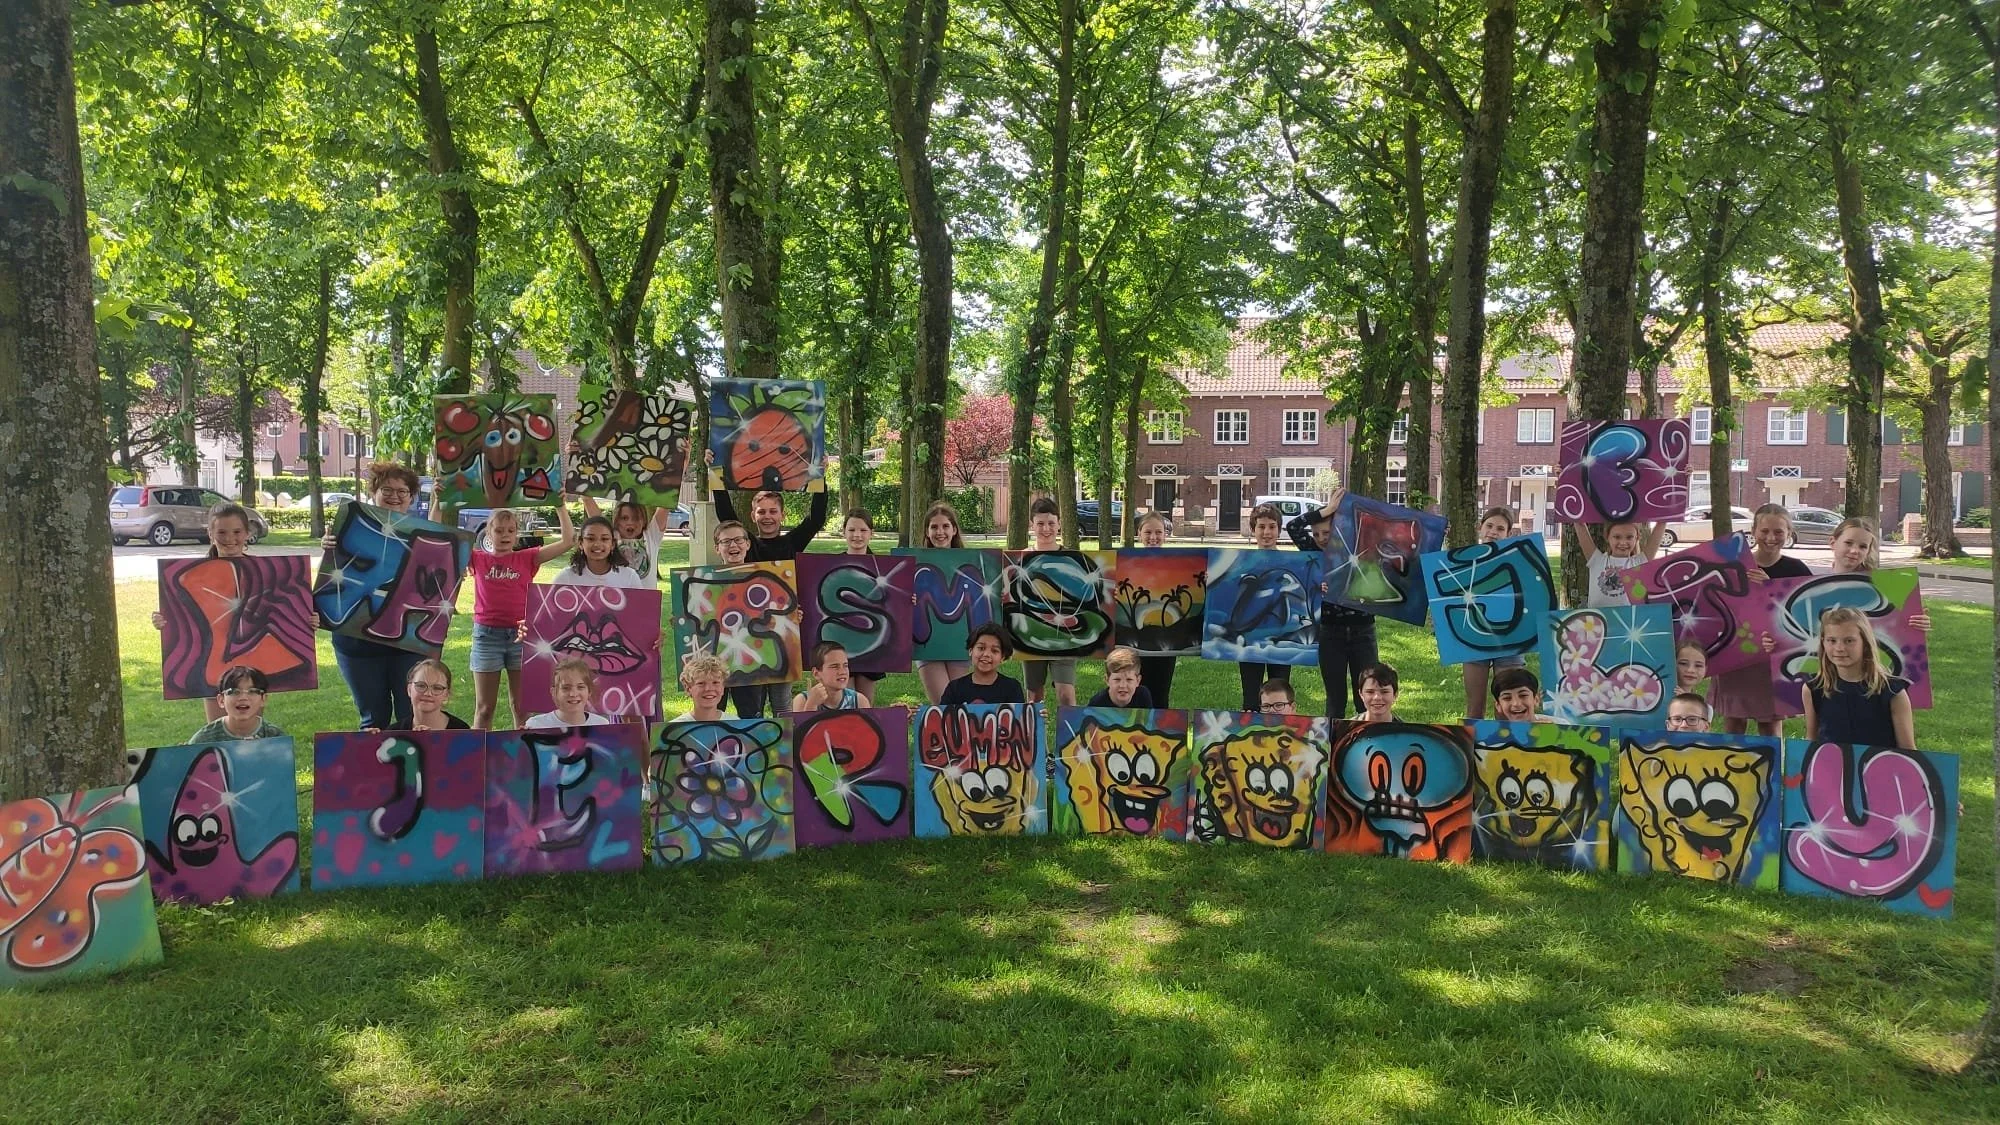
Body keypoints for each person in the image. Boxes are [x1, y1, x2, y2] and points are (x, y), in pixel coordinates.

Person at [324, 462, 439, 730]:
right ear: (373, 492)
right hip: (357, 642)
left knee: (410, 717)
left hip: (407, 642)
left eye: (402, 491)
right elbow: (333, 580)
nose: (394, 496)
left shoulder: (423, 535)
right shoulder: (349, 528)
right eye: (387, 489)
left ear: (411, 497)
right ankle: (372, 760)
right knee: (373, 720)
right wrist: (329, 548)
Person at [153, 501, 267, 723]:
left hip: (254, 661)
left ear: (247, 533)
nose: (230, 538)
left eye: (237, 532)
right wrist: (163, 620)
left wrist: (307, 621)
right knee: (218, 730)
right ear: (210, 534)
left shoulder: (266, 572)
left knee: (252, 731)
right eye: (222, 532)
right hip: (210, 663)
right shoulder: (193, 574)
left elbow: (280, 613)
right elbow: (181, 616)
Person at [469, 505, 576, 729]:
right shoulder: (477, 559)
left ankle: (523, 750)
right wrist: (439, 503)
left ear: (517, 533)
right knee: (484, 709)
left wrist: (560, 507)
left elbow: (568, 541)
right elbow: (442, 539)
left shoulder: (527, 558)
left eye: (511, 530)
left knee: (522, 708)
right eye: (499, 530)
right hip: (487, 637)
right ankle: (478, 751)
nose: (505, 535)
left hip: (521, 637)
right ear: (488, 533)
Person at [1713, 504, 1813, 736]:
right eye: (1764, 531)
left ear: (1789, 533)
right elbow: (1719, 605)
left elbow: (1805, 616)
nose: (1770, 537)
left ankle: (1772, 761)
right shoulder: (1734, 566)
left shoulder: (1796, 569)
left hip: (1773, 654)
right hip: (1737, 651)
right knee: (1734, 722)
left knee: (1769, 724)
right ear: (1753, 531)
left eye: (1778, 532)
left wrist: (1770, 588)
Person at [1285, 491, 1376, 719]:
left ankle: (1366, 734)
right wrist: (1325, 511)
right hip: (1330, 632)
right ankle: (1334, 738)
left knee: (1366, 695)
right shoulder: (1313, 552)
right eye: (1316, 534)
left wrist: (1434, 534)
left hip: (1363, 631)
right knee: (1335, 698)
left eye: (1326, 532)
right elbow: (1293, 527)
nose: (1321, 538)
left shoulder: (1356, 549)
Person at [1802, 607, 1917, 750]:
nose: (1839, 648)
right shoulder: (1813, 689)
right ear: (1823, 643)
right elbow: (1811, 742)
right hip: (1830, 764)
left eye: (1849, 641)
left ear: (1865, 644)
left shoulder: (1893, 692)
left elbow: (1908, 750)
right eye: (1832, 640)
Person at [1460, 506, 1528, 718]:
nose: (1493, 532)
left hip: (1510, 639)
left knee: (1507, 707)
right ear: (1480, 528)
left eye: (1500, 528)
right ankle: (1472, 742)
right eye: (1489, 525)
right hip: (1474, 639)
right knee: (1475, 707)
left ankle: (1505, 741)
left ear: (1509, 533)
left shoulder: (1519, 561)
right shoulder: (1463, 561)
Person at [1021, 497, 1078, 710]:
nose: (1046, 529)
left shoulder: (1072, 559)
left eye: (1051, 523)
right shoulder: (1021, 559)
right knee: (1034, 697)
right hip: (1032, 635)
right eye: (1040, 523)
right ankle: (1036, 733)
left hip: (1065, 636)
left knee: (1066, 695)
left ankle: (1071, 733)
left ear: (1059, 524)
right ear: (1032, 525)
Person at [914, 501, 974, 704]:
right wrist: (907, 600)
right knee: (943, 705)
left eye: (945, 526)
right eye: (934, 527)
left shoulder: (971, 563)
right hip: (928, 646)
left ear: (954, 530)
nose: (940, 532)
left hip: (958, 644)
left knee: (960, 705)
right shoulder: (915, 565)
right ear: (927, 531)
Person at [1236, 503, 1292, 711]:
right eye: (1261, 527)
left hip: (1282, 638)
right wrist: (1213, 581)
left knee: (1280, 694)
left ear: (1279, 529)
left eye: (1271, 526)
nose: (1267, 532)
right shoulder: (1241, 563)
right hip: (1249, 640)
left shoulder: (1293, 562)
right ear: (1253, 529)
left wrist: (1317, 587)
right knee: (1251, 696)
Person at [1131, 512, 1181, 708]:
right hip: (1135, 641)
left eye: (1158, 532)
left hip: (1167, 642)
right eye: (1148, 532)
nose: (1153, 537)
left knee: (1161, 693)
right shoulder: (1128, 563)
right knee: (1137, 691)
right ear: (1139, 534)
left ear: (1165, 535)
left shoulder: (1177, 564)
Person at [836, 509, 881, 700]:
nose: (857, 535)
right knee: (843, 701)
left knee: (865, 704)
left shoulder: (882, 567)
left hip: (870, 642)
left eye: (863, 530)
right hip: (839, 641)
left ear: (871, 533)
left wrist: (907, 600)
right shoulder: (830, 564)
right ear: (844, 532)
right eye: (852, 530)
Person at [1572, 519, 1666, 608]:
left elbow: (1661, 524)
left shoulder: (1640, 562)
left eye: (1629, 537)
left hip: (1628, 619)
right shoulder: (1596, 560)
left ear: (1637, 538)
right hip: (1598, 618)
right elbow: (1579, 523)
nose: (1623, 542)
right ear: (1607, 537)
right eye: (1617, 537)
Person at [583, 496, 669, 585]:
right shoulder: (610, 537)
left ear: (643, 521)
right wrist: (586, 497)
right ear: (617, 521)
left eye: (636, 518)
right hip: (617, 593)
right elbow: (594, 514)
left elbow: (666, 502)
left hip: (645, 594)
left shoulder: (652, 535)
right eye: (624, 518)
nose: (630, 522)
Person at [189, 665, 285, 742]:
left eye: (252, 691)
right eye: (234, 692)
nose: (243, 697)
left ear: (263, 699)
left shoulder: (274, 736)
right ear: (221, 700)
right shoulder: (203, 740)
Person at [941, 623, 1026, 706]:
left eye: (994, 651)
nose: (986, 654)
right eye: (981, 648)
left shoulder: (1012, 688)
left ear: (1002, 657)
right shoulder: (954, 688)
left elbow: (1019, 714)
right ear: (971, 651)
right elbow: (944, 714)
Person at [555, 516, 647, 588]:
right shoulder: (566, 577)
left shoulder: (629, 577)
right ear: (580, 543)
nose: (597, 544)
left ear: (612, 544)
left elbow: (639, 606)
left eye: (604, 539)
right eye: (590, 539)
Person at [525, 656, 615, 728]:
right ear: (554, 692)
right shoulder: (536, 725)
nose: (573, 694)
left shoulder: (602, 724)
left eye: (580, 687)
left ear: (589, 691)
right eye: (566, 688)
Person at [792, 641, 870, 712]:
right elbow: (803, 724)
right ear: (816, 673)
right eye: (835, 666)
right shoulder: (803, 700)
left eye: (845, 665)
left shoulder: (859, 701)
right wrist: (811, 705)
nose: (842, 672)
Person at [1086, 646, 1154, 709]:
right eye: (1117, 679)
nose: (1123, 685)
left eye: (1129, 679)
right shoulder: (1096, 704)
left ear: (1138, 681)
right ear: (1107, 680)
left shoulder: (1143, 696)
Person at [672, 654, 731, 723]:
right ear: (688, 688)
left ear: (723, 688)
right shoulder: (677, 727)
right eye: (701, 683)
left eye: (715, 682)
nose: (708, 688)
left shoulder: (736, 725)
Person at [1489, 667, 1555, 724]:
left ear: (1536, 700)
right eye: (1507, 698)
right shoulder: (1492, 733)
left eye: (1523, 695)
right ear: (1498, 706)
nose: (1516, 703)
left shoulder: (1557, 726)